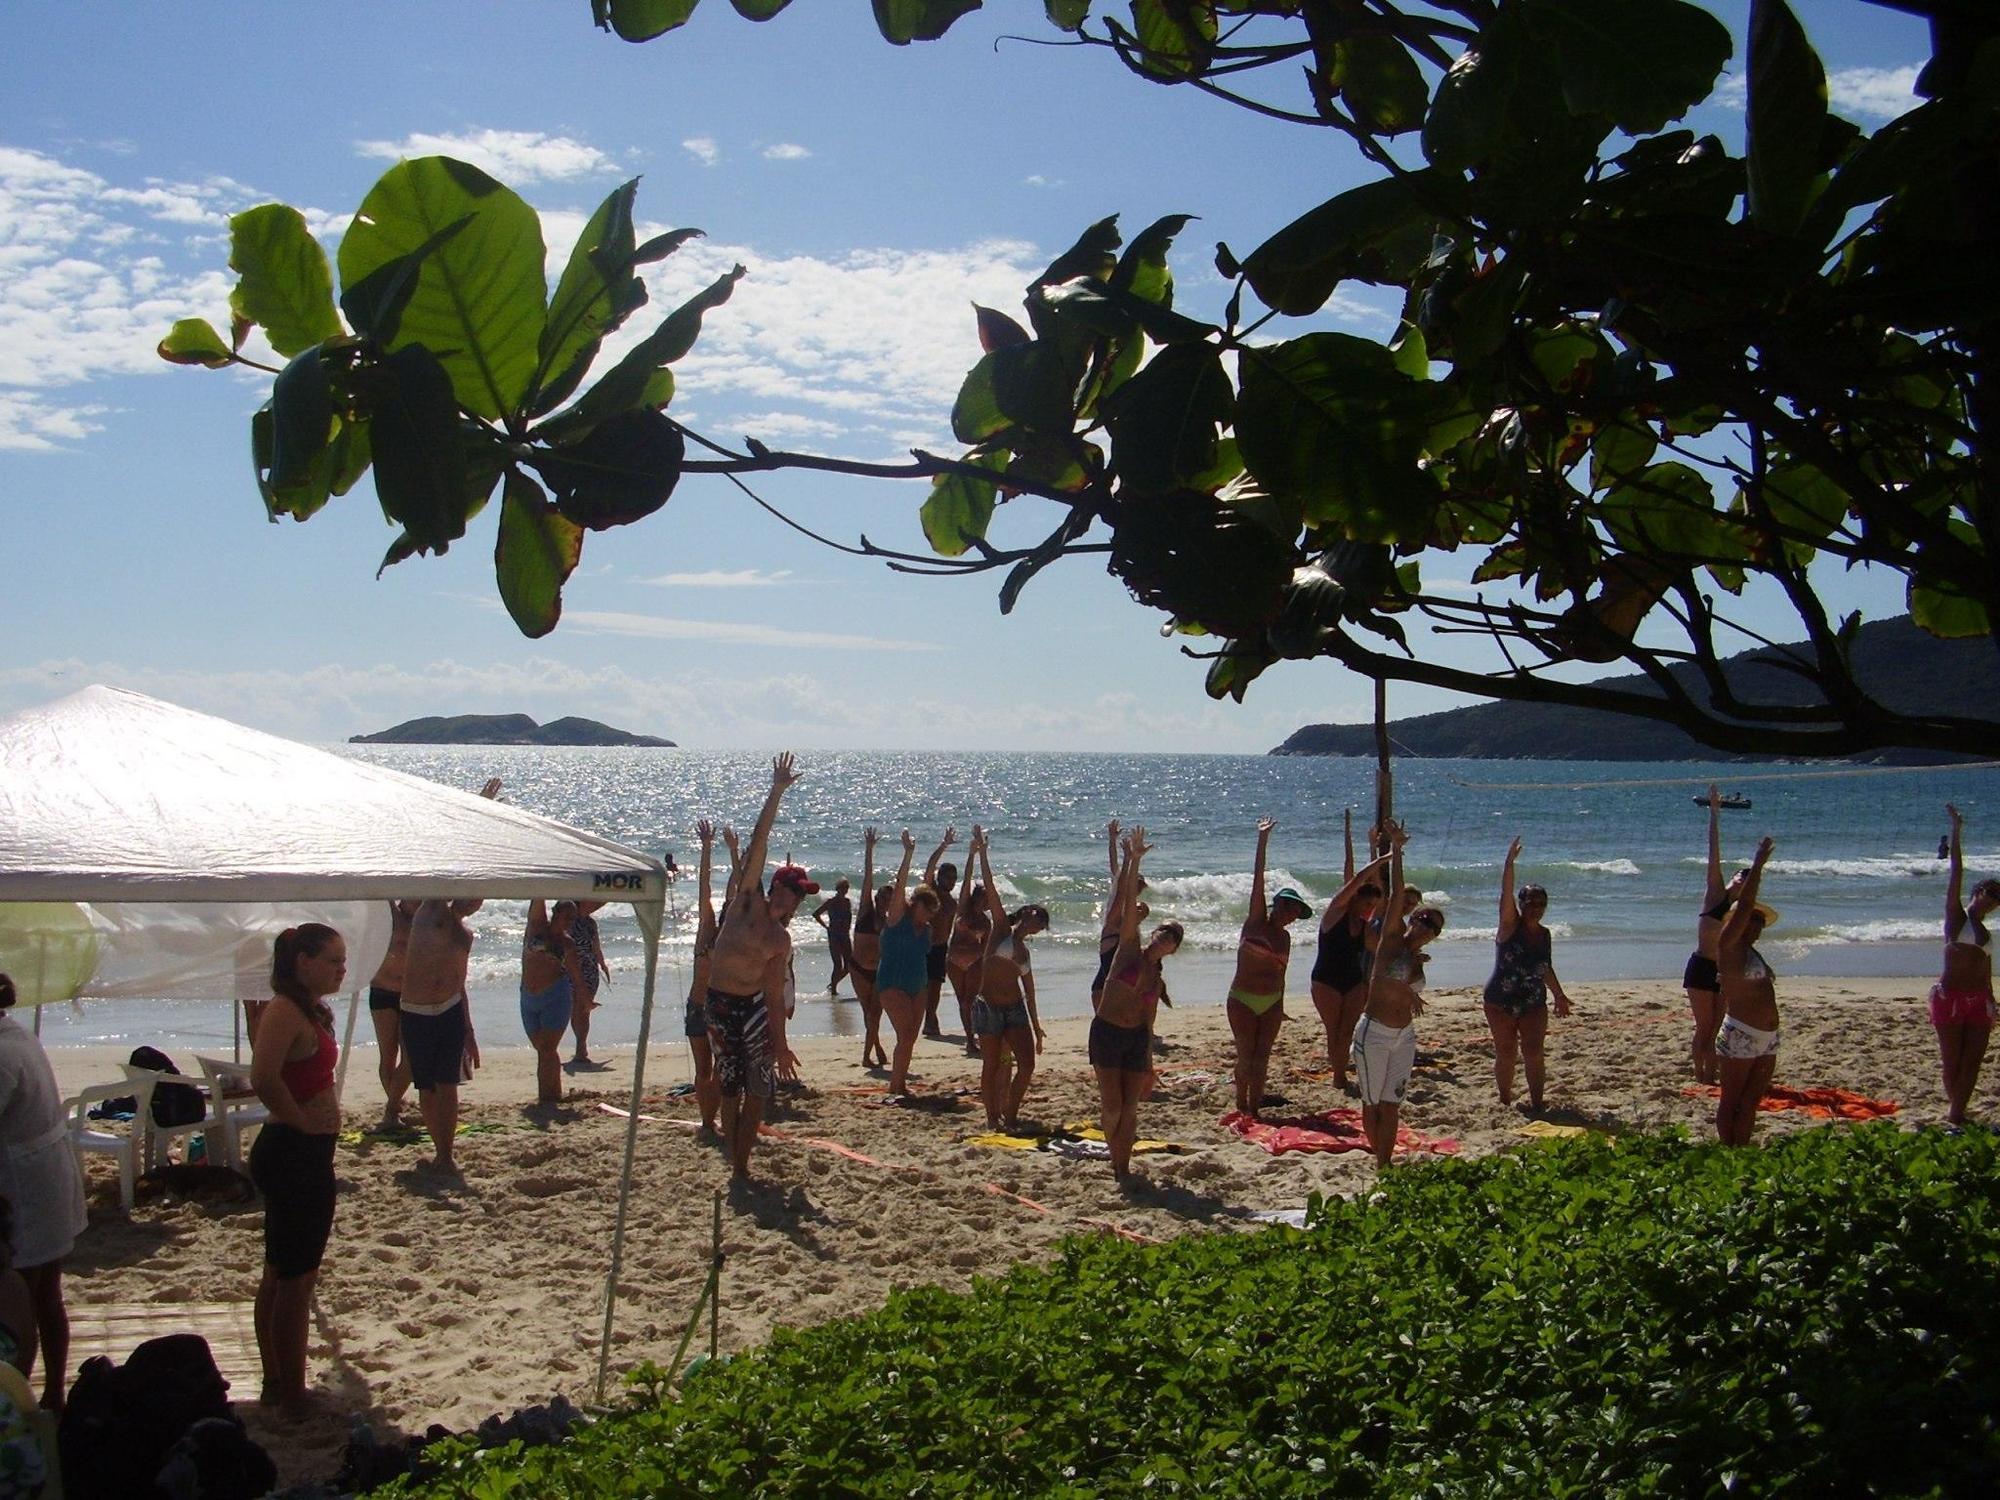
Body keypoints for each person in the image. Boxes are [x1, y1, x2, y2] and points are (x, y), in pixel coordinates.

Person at [248, 925, 346, 1417]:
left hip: (304, 1151)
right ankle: (290, 1391)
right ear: (303, 961)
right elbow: (262, 1077)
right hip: (293, 1152)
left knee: (282, 1270)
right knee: (294, 1279)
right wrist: (301, 1121)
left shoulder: (309, 1009)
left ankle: (277, 1379)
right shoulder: (284, 1010)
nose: (341, 969)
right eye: (332, 960)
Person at [704, 753, 808, 1184]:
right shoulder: (746, 903)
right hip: (720, 1004)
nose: (788, 902)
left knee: (759, 1091)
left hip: (752, 1010)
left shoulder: (780, 941)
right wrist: (777, 790)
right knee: (730, 1087)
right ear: (773, 889)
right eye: (785, 892)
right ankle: (737, 1162)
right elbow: (759, 842)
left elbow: (771, 993)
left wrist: (781, 1044)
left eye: (796, 898)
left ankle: (743, 1164)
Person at [0, 972, 87, 1412]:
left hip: (26, 1187)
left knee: (21, 1302)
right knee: (45, 1294)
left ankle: (22, 1403)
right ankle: (51, 1392)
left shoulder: (3, 1053)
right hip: (43, 1177)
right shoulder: (14, 1035)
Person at [1090, 827, 1182, 1180]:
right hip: (1107, 1032)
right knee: (1112, 1105)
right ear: (1154, 932)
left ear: (1174, 950)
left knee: (1130, 1108)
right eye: (1164, 932)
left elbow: (1149, 1021)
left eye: (1173, 939)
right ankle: (1114, 1153)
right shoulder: (1128, 949)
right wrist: (1132, 861)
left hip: (1134, 1040)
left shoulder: (1156, 981)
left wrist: (1148, 1060)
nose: (1166, 938)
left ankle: (1121, 1166)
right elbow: (1124, 905)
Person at [1352, 824, 1443, 1167]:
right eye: (1421, 918)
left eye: (1432, 925)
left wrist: (1410, 985)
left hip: (1403, 1037)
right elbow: (1396, 894)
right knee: (1372, 1102)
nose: (1424, 926)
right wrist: (1398, 852)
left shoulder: (1419, 963)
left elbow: (1405, 981)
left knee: (1392, 1104)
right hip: (1374, 1032)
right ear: (1410, 918)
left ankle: (1386, 1163)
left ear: (1434, 935)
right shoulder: (1391, 939)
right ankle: (1379, 1161)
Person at [967, 829, 1050, 1132]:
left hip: (1014, 1010)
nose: (1037, 925)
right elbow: (991, 889)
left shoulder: (1025, 955)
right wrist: (982, 854)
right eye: (1037, 918)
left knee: (1025, 1065)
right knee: (993, 1065)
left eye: (1042, 925)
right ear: (1026, 914)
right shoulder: (1001, 928)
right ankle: (992, 1117)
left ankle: (1011, 1114)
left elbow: (1030, 991)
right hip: (988, 1008)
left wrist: (1038, 1026)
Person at [1226, 818, 1310, 1117]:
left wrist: (1281, 1004)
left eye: (1297, 913)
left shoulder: (1285, 938)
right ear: (1277, 905)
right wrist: (1263, 840)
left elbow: (1281, 975)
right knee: (1246, 1054)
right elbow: (1257, 879)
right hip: (1243, 998)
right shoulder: (1256, 921)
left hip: (1272, 1001)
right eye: (1289, 908)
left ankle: (1254, 1107)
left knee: (1263, 1057)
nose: (1291, 916)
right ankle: (1241, 1102)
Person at [1481, 838, 1571, 1112]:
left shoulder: (1544, 934)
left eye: (1541, 903)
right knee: (1506, 1053)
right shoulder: (1509, 925)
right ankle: (1505, 1099)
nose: (1536, 907)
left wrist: (1559, 994)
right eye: (1531, 902)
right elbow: (1505, 893)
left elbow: (1544, 967)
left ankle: (1536, 1102)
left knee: (1534, 1053)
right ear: (1521, 904)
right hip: (1500, 1000)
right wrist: (1509, 863)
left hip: (1533, 1000)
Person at [400, 897, 481, 1175]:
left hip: (449, 1008)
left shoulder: (466, 934)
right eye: (472, 896)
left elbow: (460, 982)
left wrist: (469, 1029)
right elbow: (433, 883)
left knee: (448, 1083)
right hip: (415, 1010)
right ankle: (438, 1146)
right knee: (426, 1086)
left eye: (479, 901)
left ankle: (445, 1153)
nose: (474, 903)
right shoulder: (431, 908)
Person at [1934, 805, 1997, 1130]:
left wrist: (1992, 999)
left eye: (1997, 899)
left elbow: (1986, 967)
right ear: (1977, 892)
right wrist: (1957, 830)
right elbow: (1956, 870)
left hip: (1978, 1000)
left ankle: (1957, 1115)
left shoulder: (1986, 933)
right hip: (1949, 996)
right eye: (1989, 893)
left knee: (1973, 1062)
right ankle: (1956, 1114)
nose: (1992, 900)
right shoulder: (1957, 917)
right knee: (1953, 1061)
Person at [1714, 837, 1780, 1146]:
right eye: (1750, 920)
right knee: (1732, 1099)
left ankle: (1741, 1149)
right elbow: (1743, 910)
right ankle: (1730, 1152)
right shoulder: (1729, 946)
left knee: (1752, 1099)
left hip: (1767, 1036)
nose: (1753, 926)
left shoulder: (1752, 952)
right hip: (1741, 1032)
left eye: (1758, 923)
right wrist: (1758, 866)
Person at [1309, 852, 1391, 1092]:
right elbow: (1354, 881)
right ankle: (1338, 1076)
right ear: (1354, 899)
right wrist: (1377, 862)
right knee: (1334, 1030)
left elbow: (1377, 948)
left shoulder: (1364, 926)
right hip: (1326, 980)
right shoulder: (1335, 913)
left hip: (1353, 981)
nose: (1370, 910)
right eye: (1367, 904)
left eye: (1373, 907)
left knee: (1347, 1030)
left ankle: (1340, 1073)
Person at [1684, 786, 1747, 1086]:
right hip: (1700, 966)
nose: (1740, 881)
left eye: (1746, 880)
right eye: (1739, 875)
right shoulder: (1716, 895)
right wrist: (1714, 814)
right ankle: (1701, 1077)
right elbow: (1713, 854)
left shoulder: (1743, 911)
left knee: (1719, 1027)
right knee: (1704, 1027)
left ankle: (1711, 1076)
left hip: (1723, 972)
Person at [875, 830, 938, 1097]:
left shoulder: (925, 930)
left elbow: (928, 882)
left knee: (911, 1037)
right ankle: (895, 1086)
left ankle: (900, 1084)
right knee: (904, 1035)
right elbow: (901, 885)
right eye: (926, 910)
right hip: (892, 984)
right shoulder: (897, 918)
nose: (928, 916)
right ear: (915, 906)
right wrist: (908, 853)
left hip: (918, 985)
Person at [683, 820, 730, 1136]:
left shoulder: (735, 943)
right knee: (703, 1068)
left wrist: (738, 855)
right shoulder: (707, 935)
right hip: (697, 1007)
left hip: (721, 1009)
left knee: (720, 1070)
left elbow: (743, 887)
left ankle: (720, 1119)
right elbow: (705, 890)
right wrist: (707, 848)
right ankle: (706, 1121)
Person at [520, 899, 580, 1107]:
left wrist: (585, 998)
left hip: (556, 996)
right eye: (566, 917)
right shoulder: (537, 926)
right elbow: (538, 895)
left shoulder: (567, 943)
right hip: (528, 997)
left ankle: (550, 1097)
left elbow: (575, 972)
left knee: (547, 1048)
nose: (569, 922)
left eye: (573, 919)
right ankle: (547, 1094)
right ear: (555, 913)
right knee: (542, 1050)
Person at [365, 900, 419, 1129]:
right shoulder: (391, 912)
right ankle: (393, 1110)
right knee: (388, 1054)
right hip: (383, 990)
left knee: (411, 1059)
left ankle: (392, 1106)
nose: (417, 901)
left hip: (410, 994)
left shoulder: (425, 916)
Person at [848, 830, 889, 1071]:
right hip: (859, 968)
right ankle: (870, 1053)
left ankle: (873, 1051)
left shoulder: (889, 921)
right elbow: (867, 880)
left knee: (875, 1014)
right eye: (882, 897)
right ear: (876, 898)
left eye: (888, 898)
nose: (885, 901)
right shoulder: (866, 911)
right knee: (869, 1013)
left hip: (879, 971)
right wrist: (869, 849)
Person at [944, 876, 991, 1059]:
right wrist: (972, 855)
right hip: (955, 959)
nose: (986, 903)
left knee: (969, 1001)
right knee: (962, 1001)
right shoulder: (963, 911)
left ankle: (973, 1038)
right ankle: (970, 1039)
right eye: (984, 899)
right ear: (978, 898)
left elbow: (986, 948)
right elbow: (964, 887)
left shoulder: (986, 922)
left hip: (975, 960)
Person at [921, 829, 960, 1039]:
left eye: (955, 878)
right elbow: (929, 866)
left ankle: (930, 1019)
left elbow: (951, 928)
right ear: (941, 877)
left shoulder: (952, 902)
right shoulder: (932, 891)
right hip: (924, 945)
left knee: (935, 986)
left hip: (941, 947)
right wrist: (943, 846)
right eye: (949, 877)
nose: (952, 881)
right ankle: (927, 1019)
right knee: (922, 986)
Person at [566, 901, 611, 1071]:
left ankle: (581, 1048)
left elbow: (596, 946)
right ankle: (580, 1047)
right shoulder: (568, 920)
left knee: (583, 1009)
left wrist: (603, 964)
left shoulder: (590, 923)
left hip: (590, 969)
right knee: (575, 1009)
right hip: (570, 969)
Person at [811, 880, 854, 997]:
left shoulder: (847, 902)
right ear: (838, 889)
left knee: (849, 965)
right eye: (843, 887)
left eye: (847, 888)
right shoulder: (831, 902)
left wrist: (849, 927)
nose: (845, 890)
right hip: (834, 934)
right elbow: (816, 914)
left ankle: (832, 984)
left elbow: (849, 917)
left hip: (845, 934)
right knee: (838, 965)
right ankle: (834, 990)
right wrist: (826, 927)